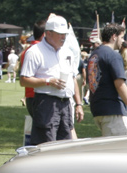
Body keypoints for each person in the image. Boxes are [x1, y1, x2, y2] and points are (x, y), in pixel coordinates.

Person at [19, 14, 84, 143]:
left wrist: (79, 104)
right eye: (60, 34)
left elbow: (73, 78)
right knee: (47, 144)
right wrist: (48, 82)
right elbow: (24, 80)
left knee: (66, 144)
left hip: (66, 103)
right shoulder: (35, 52)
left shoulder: (67, 52)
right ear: (48, 33)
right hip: (46, 102)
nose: (63, 37)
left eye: (64, 34)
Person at [88, 23, 127, 137]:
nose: (122, 41)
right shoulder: (113, 55)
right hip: (112, 110)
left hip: (97, 109)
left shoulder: (94, 54)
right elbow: (120, 84)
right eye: (121, 37)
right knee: (119, 150)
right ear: (114, 37)